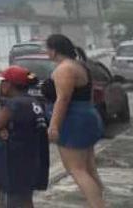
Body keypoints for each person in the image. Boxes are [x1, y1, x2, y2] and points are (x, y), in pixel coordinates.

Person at [41, 34, 105, 208]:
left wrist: (54, 126)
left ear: (54, 50)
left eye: (46, 48)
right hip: (85, 115)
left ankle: (97, 204)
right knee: (88, 168)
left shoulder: (65, 69)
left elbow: (63, 99)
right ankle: (98, 203)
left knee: (77, 169)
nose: (45, 52)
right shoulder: (79, 65)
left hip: (73, 120)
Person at [0, 66, 50, 208]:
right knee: (25, 199)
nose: (1, 85)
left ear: (9, 84)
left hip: (14, 164)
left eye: (3, 81)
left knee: (13, 201)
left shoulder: (14, 104)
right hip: (30, 160)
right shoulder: (34, 102)